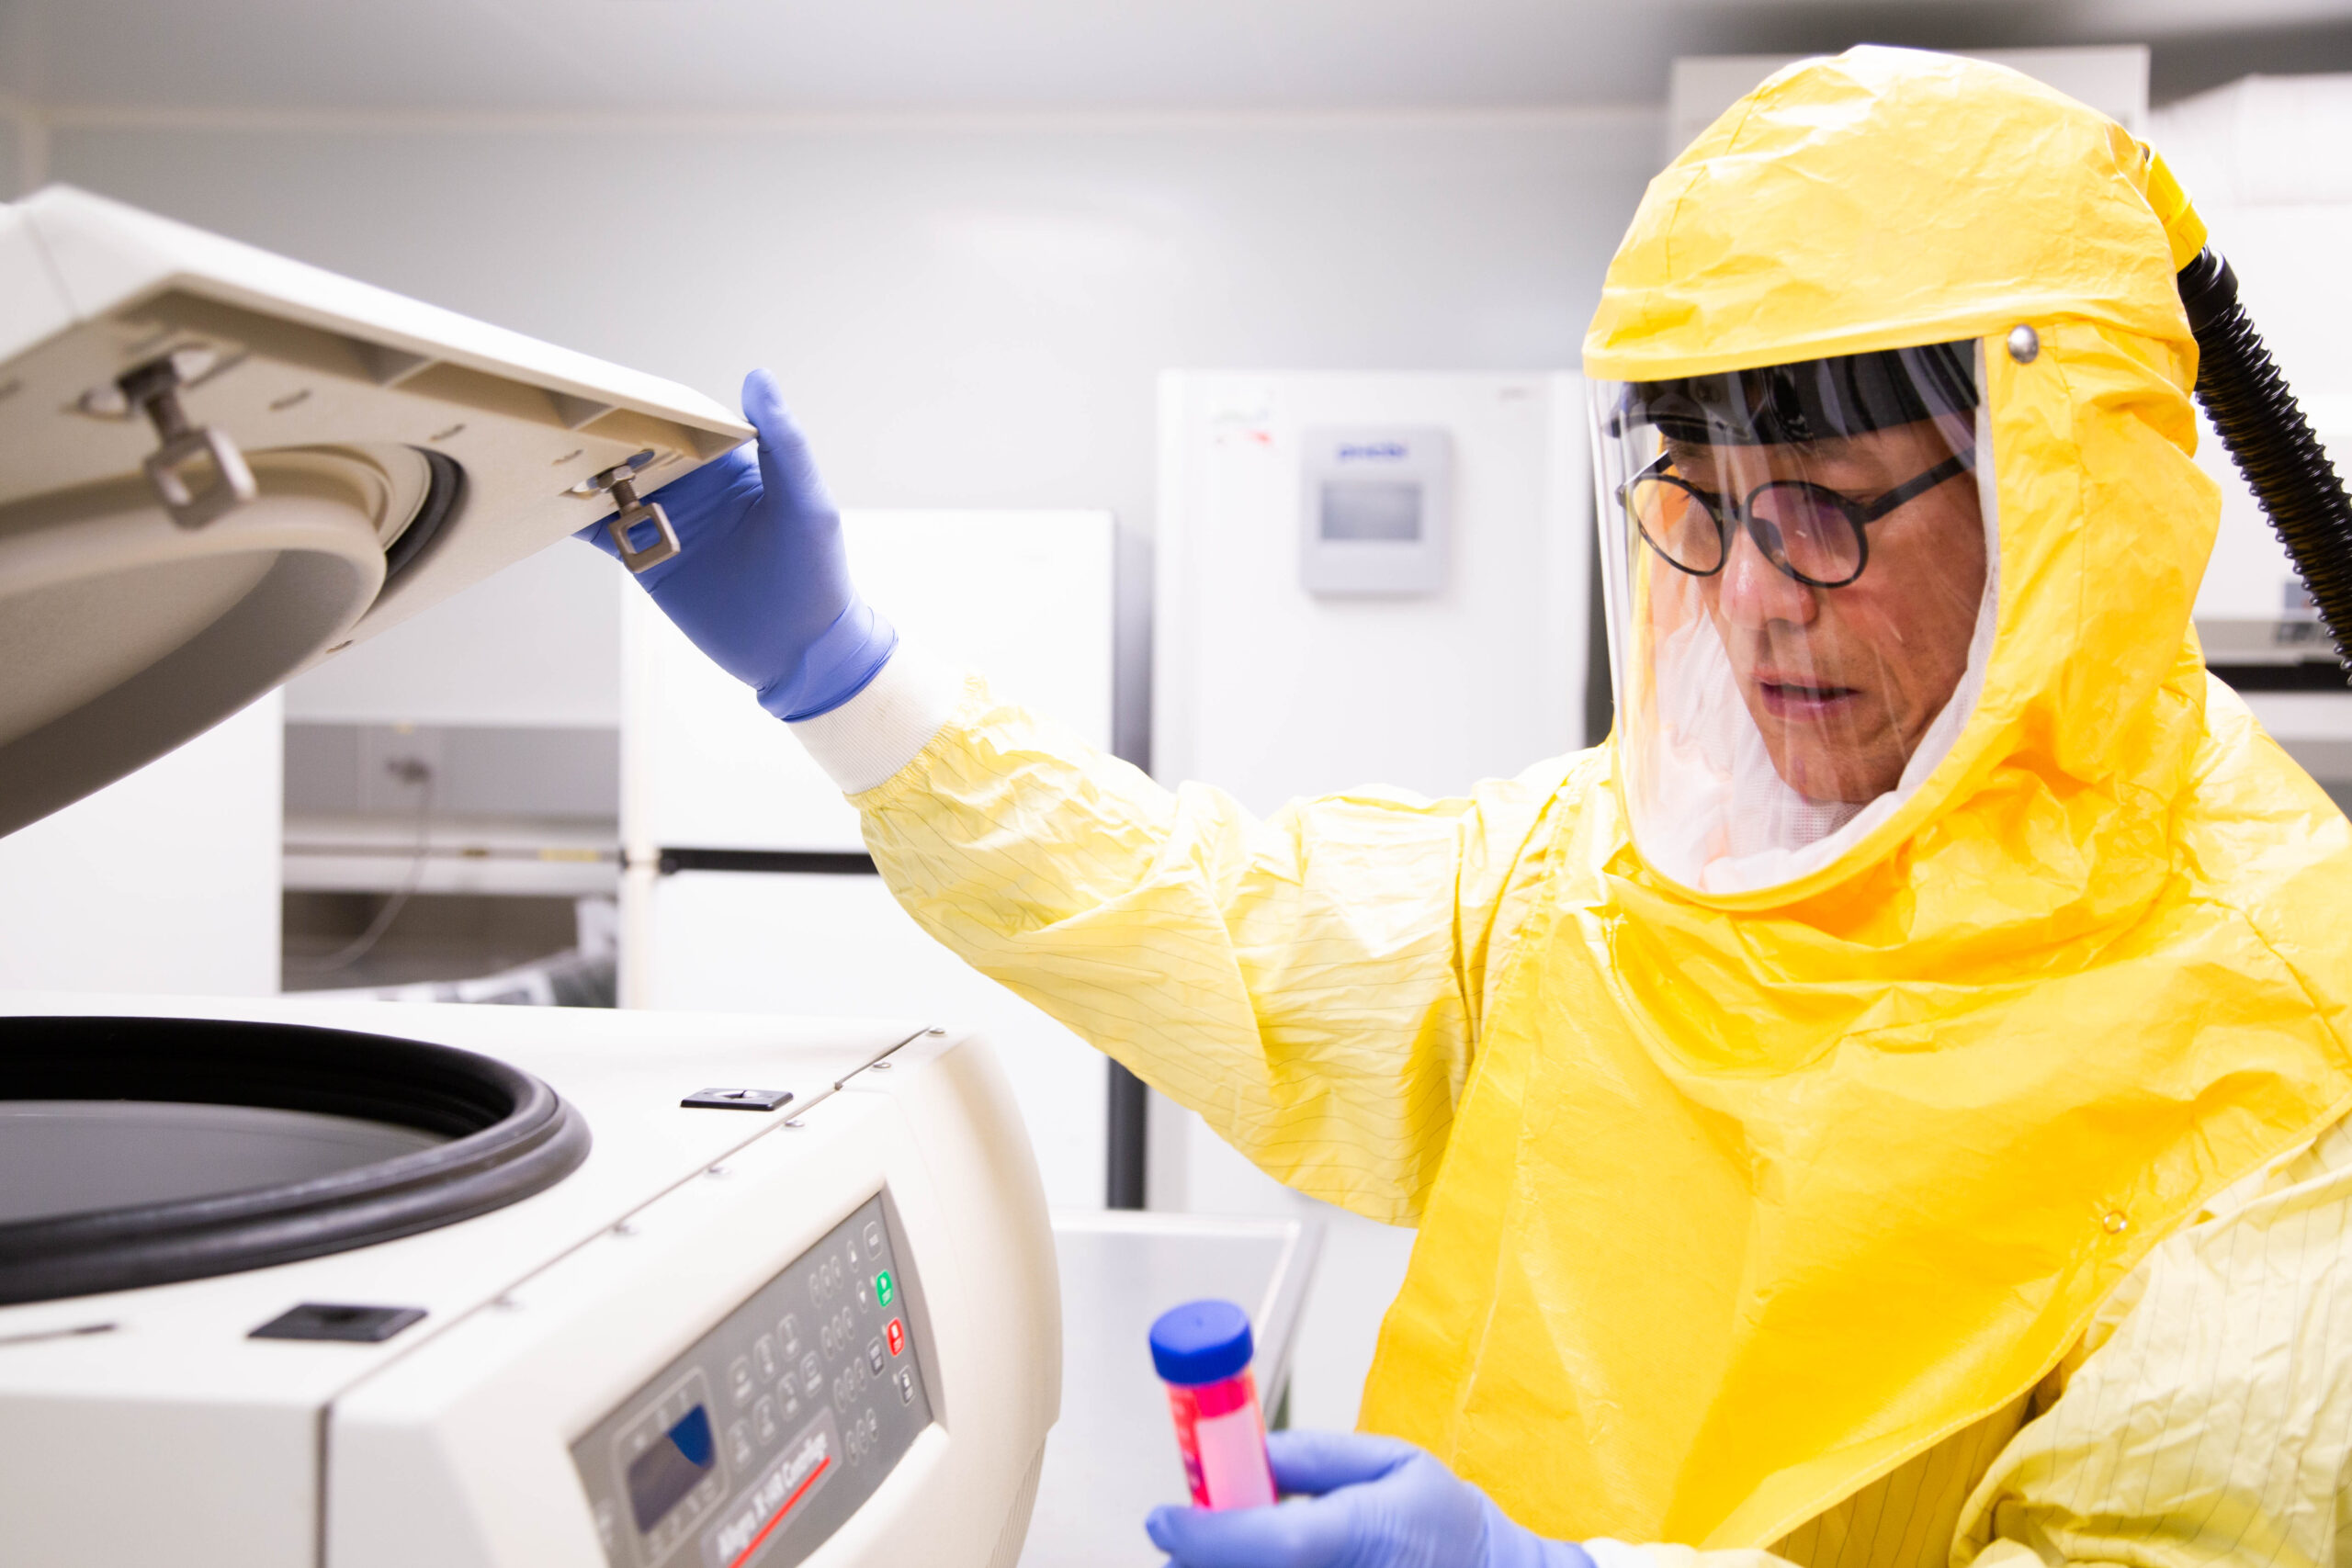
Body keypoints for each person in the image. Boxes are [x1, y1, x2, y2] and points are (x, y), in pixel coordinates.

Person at [584, 47, 2352, 1568]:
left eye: (1819, 503)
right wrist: (844, 677)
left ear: (2063, 501)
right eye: (1699, 504)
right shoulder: (1628, 878)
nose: (1749, 598)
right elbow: (1220, 925)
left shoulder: (2280, 1042)